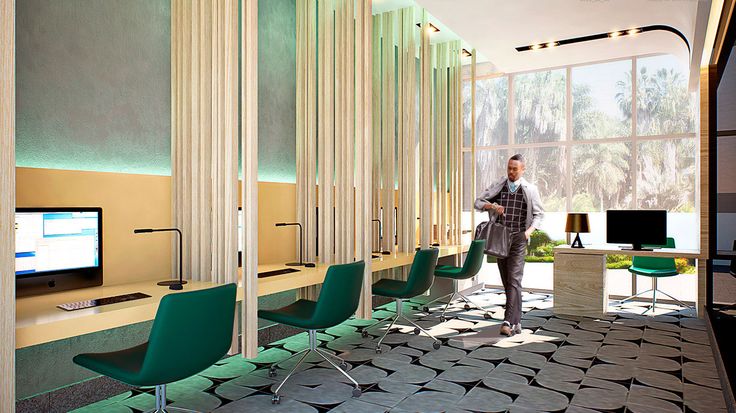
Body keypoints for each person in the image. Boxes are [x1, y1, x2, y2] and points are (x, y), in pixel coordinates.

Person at [474, 154, 544, 336]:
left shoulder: (530, 189)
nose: (511, 172)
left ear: (523, 169)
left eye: (515, 169)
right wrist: (492, 207)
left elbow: (539, 215)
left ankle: (507, 321)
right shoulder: (500, 185)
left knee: (514, 279)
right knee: (508, 280)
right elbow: (478, 202)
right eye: (509, 168)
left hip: (519, 238)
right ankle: (517, 321)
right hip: (500, 238)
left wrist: (528, 233)